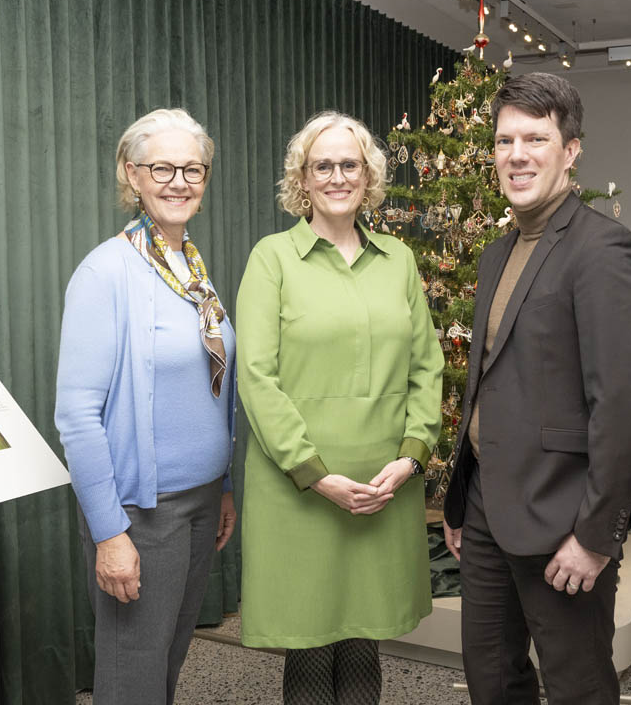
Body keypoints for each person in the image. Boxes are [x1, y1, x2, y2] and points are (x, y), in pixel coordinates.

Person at [442, 72, 631, 705]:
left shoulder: (601, 249)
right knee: (492, 678)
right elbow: (492, 382)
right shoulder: (496, 253)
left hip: (562, 515)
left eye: (535, 138)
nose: (516, 155)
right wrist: (462, 498)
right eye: (505, 140)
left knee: (577, 685)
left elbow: (623, 404)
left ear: (571, 149)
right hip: (485, 507)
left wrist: (595, 537)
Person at [236, 111, 444, 705]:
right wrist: (315, 473)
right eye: (321, 165)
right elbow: (255, 377)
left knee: (363, 636)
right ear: (302, 178)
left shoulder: (398, 260)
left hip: (383, 485)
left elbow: (426, 368)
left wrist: (410, 459)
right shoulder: (271, 258)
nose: (336, 176)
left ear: (368, 175)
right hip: (299, 486)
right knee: (310, 637)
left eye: (348, 164)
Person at [54, 108, 237, 705]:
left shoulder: (193, 269)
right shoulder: (105, 272)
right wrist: (111, 533)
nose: (179, 181)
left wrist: (225, 485)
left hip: (201, 501)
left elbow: (211, 390)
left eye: (193, 169)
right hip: (141, 512)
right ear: (131, 176)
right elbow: (77, 417)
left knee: (167, 663)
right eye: (163, 168)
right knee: (132, 677)